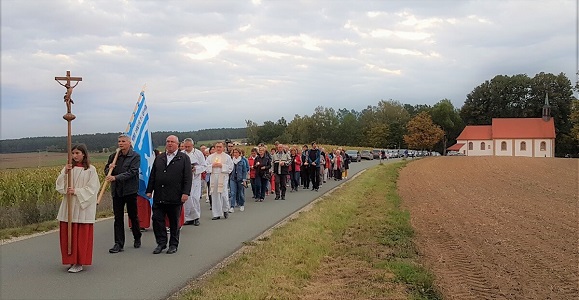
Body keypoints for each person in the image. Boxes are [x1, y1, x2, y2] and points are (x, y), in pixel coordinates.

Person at [55, 144, 100, 273]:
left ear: (84, 154)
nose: (74, 156)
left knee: (80, 234)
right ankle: (71, 259)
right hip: (69, 205)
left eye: (77, 153)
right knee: (68, 233)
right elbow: (59, 186)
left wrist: (76, 191)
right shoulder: (68, 169)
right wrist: (65, 172)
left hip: (82, 207)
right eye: (73, 153)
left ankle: (79, 262)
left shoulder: (91, 170)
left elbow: (92, 189)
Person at [146, 135, 192, 254]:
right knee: (157, 219)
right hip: (160, 195)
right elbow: (153, 175)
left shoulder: (183, 158)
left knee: (174, 222)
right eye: (168, 142)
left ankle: (173, 244)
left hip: (175, 196)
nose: (170, 144)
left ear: (177, 144)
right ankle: (161, 243)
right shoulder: (160, 158)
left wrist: (185, 193)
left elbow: (188, 177)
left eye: (172, 142)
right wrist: (149, 190)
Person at [104, 134, 142, 254]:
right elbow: (107, 171)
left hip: (130, 190)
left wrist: (116, 177)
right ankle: (118, 243)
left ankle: (137, 236)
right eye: (119, 141)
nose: (121, 143)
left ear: (129, 143)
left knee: (133, 215)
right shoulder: (113, 156)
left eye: (123, 141)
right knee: (118, 218)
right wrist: (109, 169)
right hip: (117, 191)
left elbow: (132, 172)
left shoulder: (135, 156)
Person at [181, 138, 207, 226]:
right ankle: (188, 217)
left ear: (192, 145)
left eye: (188, 146)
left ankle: (196, 217)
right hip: (185, 179)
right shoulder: (182, 154)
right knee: (187, 198)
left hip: (195, 179)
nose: (187, 148)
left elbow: (204, 166)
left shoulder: (198, 153)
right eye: (185, 146)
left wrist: (195, 168)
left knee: (195, 198)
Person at [206, 141, 233, 220]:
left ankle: (225, 209)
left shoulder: (227, 157)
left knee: (223, 194)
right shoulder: (210, 157)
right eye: (217, 147)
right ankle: (216, 213)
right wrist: (212, 165)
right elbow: (206, 167)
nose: (218, 148)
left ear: (223, 147)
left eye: (220, 147)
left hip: (223, 176)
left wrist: (222, 165)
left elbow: (230, 168)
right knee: (215, 195)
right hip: (214, 176)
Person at [228, 147, 248, 212]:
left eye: (236, 152)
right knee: (232, 193)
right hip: (233, 178)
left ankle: (241, 204)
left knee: (240, 193)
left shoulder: (242, 161)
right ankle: (232, 206)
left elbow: (244, 171)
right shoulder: (231, 161)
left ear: (239, 153)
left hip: (240, 179)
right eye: (234, 152)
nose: (235, 154)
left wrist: (244, 179)